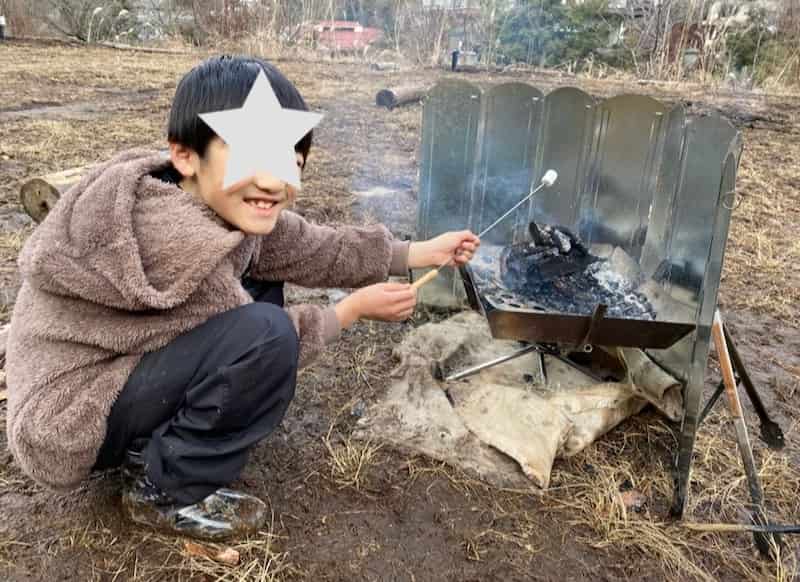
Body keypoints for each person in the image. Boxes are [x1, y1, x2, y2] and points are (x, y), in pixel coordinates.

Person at [4, 55, 480, 541]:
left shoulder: (198, 192)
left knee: (263, 288)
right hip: (67, 423)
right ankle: (161, 491)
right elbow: (268, 341)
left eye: (289, 162)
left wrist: (416, 252)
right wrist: (351, 310)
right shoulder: (177, 242)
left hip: (102, 374)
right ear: (186, 154)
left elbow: (309, 246)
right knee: (266, 336)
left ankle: (167, 441)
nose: (272, 182)